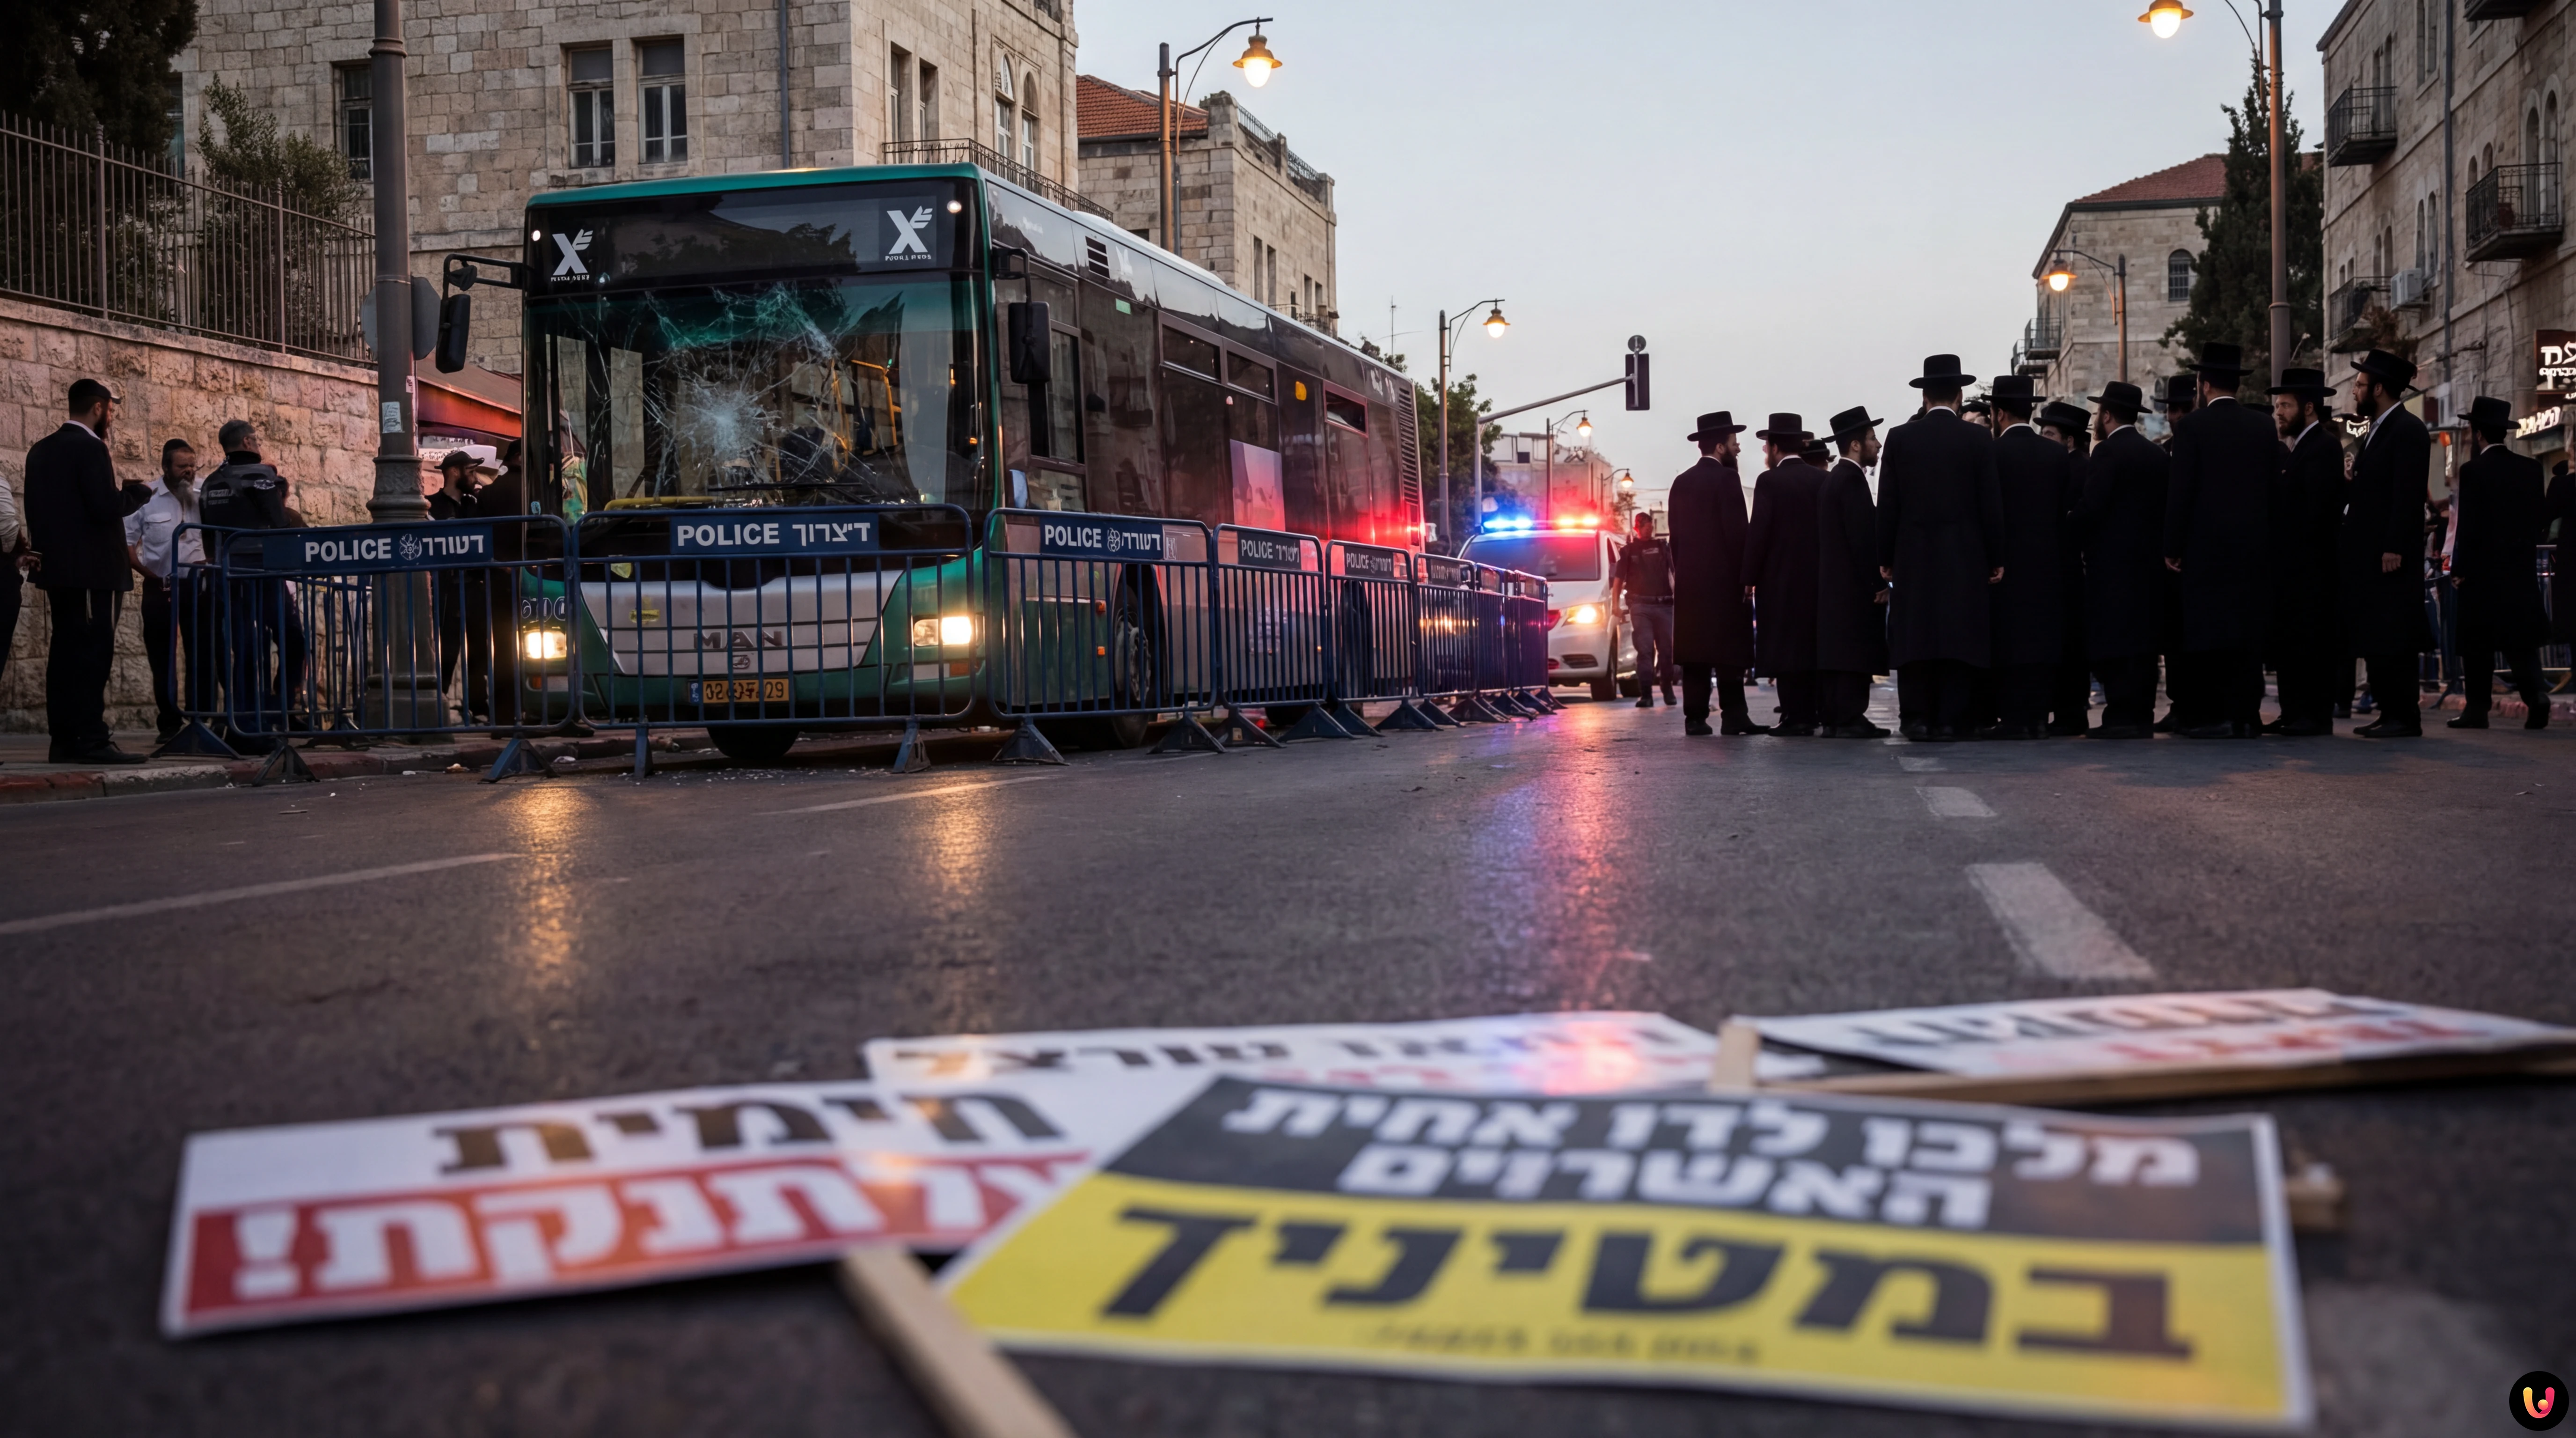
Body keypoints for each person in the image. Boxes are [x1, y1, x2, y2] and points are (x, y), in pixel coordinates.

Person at [1877, 355, 2005, 741]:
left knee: (1917, 635)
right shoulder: (1978, 439)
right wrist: (1996, 556)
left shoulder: (1900, 438)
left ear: (1924, 396)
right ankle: (1952, 718)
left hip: (1913, 556)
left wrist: (1885, 558)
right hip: (1964, 558)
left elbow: (1888, 505)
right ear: (1960, 395)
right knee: (1957, 636)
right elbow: (1990, 504)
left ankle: (1917, 717)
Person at [22, 378, 144, 764]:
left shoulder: (40, 450)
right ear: (98, 408)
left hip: (59, 571)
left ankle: (64, 739)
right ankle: (91, 739)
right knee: (93, 653)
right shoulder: (90, 448)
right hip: (93, 571)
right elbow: (104, 508)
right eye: (110, 409)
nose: (111, 416)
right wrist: (135, 495)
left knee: (65, 652)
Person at [2160, 342, 2274, 738]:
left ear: (2203, 384)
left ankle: (2215, 715)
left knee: (2209, 634)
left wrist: (2172, 547)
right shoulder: (2263, 427)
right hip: (2252, 550)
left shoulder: (2193, 428)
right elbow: (2271, 491)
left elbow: (2182, 493)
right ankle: (2246, 715)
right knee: (2246, 635)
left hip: (2204, 551)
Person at [2342, 350, 2435, 738]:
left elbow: (2406, 493)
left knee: (2394, 635)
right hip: (2373, 554)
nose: (2355, 391)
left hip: (2391, 556)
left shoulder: (2407, 429)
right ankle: (2389, 711)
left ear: (2379, 389)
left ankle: (2403, 715)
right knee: (2378, 635)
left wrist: (2394, 545)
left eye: (2361, 385)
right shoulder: (2380, 428)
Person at [2447, 396, 2552, 729]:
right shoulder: (2532, 469)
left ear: (2478, 433)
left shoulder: (2473, 471)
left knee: (2478, 646)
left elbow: (2469, 526)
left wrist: (2459, 569)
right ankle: (2536, 695)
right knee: (2520, 644)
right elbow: (2540, 519)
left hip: (2482, 573)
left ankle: (2477, 709)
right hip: (2519, 571)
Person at [2075, 381, 2170, 739]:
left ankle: (2120, 716)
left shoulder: (2109, 453)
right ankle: (2141, 714)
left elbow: (2093, 506)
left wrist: (2068, 528)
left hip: (2112, 567)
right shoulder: (2156, 455)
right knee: (2144, 643)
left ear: (2108, 415)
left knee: (2114, 641)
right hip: (2148, 566)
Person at [1981, 376, 2069, 740]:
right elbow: (2064, 509)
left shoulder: (1992, 454)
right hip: (2048, 562)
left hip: (2005, 563)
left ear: (1999, 413)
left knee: (2009, 638)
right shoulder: (2056, 454)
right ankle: (2037, 716)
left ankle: (2014, 718)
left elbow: (1988, 511)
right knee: (2041, 637)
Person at [199, 418, 299, 739]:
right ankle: (276, 709)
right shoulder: (261, 475)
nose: (258, 445)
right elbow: (277, 519)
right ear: (246, 442)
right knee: (293, 638)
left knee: (243, 647)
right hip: (263, 569)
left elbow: (206, 533)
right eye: (255, 440)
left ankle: (243, 717)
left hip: (227, 572)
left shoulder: (212, 482)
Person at [1668, 411, 1763, 736]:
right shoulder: (1727, 479)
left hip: (1691, 585)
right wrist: (1746, 577)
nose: (1738, 450)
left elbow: (1675, 539)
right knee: (1729, 652)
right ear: (1721, 447)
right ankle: (1734, 715)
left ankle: (1695, 717)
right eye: (1735, 444)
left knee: (1696, 652)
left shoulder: (1681, 482)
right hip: (1725, 583)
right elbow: (1738, 534)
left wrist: (1684, 575)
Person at [2264, 369, 2344, 736]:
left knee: (2310, 643)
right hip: (2293, 568)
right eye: (2277, 405)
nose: (2278, 412)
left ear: (2308, 408)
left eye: (2285, 405)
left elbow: (2313, 512)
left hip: (2310, 568)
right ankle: (2294, 711)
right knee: (2291, 643)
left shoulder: (2323, 447)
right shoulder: (2302, 446)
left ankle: (2312, 715)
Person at [125, 438, 212, 742]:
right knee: (162, 656)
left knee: (201, 653)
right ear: (165, 468)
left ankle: (200, 719)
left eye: (192, 466)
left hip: (199, 585)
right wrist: (149, 575)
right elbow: (126, 544)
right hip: (159, 585)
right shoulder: (147, 498)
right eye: (182, 466)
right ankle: (170, 723)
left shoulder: (205, 495)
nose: (189, 472)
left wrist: (210, 562)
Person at [1745, 415, 1824, 735]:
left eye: (1766, 445)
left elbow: (1759, 531)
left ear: (1775, 448)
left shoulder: (1769, 482)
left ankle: (1794, 715)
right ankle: (1813, 710)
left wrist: (1749, 576)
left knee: (1784, 646)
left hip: (1778, 580)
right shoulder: (1820, 480)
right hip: (1817, 577)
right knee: (1811, 643)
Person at [1817, 406, 1889, 738]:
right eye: (1872, 439)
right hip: (1853, 588)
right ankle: (1850, 717)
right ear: (1856, 445)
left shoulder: (1834, 479)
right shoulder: (1852, 480)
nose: (1878, 445)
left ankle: (1836, 716)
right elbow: (1861, 536)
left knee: (1838, 652)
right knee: (1854, 650)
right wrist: (1877, 581)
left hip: (1835, 586)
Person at [1609, 511, 1677, 708]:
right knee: (1645, 650)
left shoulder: (1663, 548)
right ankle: (1646, 694)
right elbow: (1619, 580)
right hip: (1641, 606)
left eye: (1651, 527)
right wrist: (1615, 605)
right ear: (1637, 528)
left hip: (1664, 605)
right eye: (1645, 527)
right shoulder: (1628, 551)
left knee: (1667, 651)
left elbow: (1674, 572)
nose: (1649, 530)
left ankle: (1667, 688)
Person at [428, 449, 477, 705]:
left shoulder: (475, 505)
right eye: (471, 472)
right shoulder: (431, 506)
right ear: (454, 472)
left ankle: (479, 704)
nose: (475, 477)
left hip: (474, 587)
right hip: (446, 588)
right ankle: (439, 697)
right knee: (447, 646)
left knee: (479, 647)